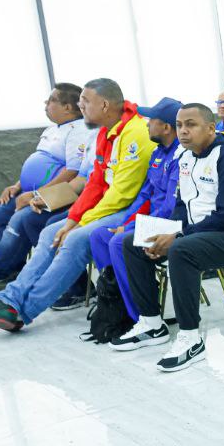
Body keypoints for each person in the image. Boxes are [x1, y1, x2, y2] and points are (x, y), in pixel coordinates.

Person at [0, 79, 154, 332]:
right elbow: (95, 184)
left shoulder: (135, 133)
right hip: (109, 205)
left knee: (74, 239)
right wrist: (72, 219)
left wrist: (78, 223)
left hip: (133, 209)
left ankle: (20, 311)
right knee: (50, 232)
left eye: (85, 101)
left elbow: (122, 194)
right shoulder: (106, 132)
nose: (80, 106)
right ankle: (8, 300)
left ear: (104, 105)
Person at [111, 104, 224, 371]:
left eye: (191, 124)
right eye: (180, 125)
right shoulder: (185, 156)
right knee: (133, 241)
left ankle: (191, 338)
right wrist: (168, 231)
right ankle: (152, 324)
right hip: (202, 231)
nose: (183, 130)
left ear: (210, 128)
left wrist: (178, 235)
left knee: (181, 250)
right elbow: (182, 206)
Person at [0, 84, 91, 298]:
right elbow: (40, 163)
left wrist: (37, 195)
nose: (46, 104)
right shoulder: (52, 130)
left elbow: (72, 173)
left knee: (21, 219)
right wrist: (17, 186)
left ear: (67, 107)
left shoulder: (79, 130)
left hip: (58, 195)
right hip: (30, 192)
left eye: (51, 100)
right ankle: (12, 270)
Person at [88, 97, 183, 326]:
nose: (146, 123)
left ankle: (139, 316)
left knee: (118, 243)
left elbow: (170, 207)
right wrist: (126, 223)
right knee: (99, 236)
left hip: (171, 226)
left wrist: (131, 228)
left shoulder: (180, 156)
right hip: (151, 221)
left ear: (166, 127)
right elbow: (145, 195)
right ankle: (116, 304)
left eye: (152, 120)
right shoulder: (158, 153)